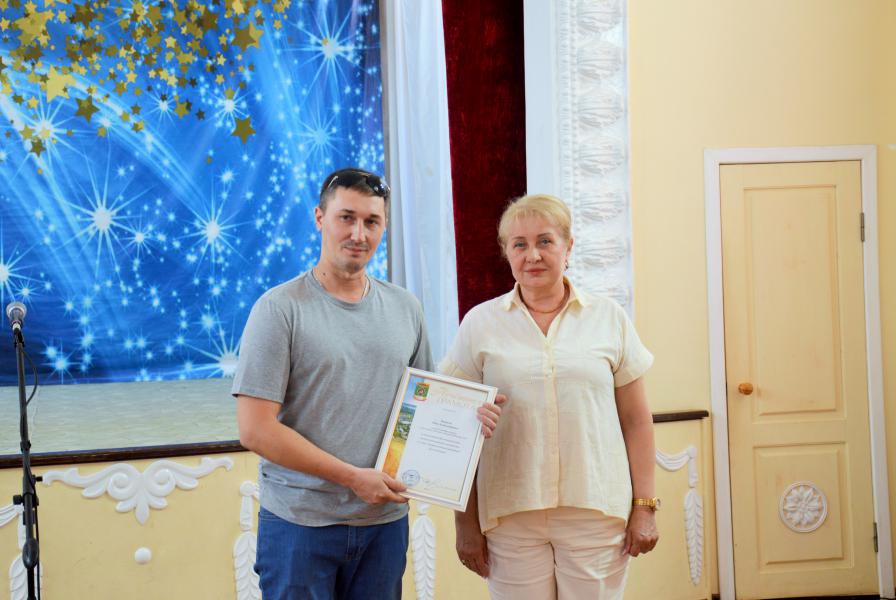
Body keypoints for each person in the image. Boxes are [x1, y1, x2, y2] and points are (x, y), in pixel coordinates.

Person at [232, 167, 502, 600]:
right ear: (320, 217)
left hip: (383, 527)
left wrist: (470, 419)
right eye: (347, 217)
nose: (359, 234)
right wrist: (352, 478)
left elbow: (424, 408)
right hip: (300, 526)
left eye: (372, 221)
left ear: (384, 226)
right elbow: (255, 430)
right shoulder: (279, 309)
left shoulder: (406, 308)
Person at [440, 193, 658, 600]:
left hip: (595, 510)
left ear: (568, 247)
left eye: (545, 241)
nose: (533, 255)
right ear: (506, 253)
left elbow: (636, 420)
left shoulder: (609, 318)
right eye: (519, 244)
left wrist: (644, 506)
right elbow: (452, 425)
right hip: (509, 514)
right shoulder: (479, 324)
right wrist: (464, 522)